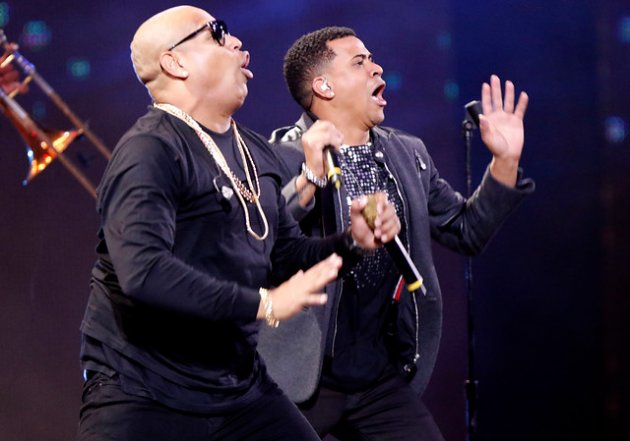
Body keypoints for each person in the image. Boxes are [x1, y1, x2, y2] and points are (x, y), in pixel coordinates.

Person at [76, 9, 400, 441]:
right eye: (217, 34)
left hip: (236, 387)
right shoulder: (149, 149)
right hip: (144, 391)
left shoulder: (252, 150)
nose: (236, 43)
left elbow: (286, 255)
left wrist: (353, 242)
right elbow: (144, 272)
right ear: (175, 62)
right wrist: (264, 304)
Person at [258, 26, 535, 440]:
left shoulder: (407, 154)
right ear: (324, 86)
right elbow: (264, 237)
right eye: (360, 62)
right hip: (302, 375)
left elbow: (467, 231)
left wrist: (505, 163)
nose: (377, 68)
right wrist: (310, 177)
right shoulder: (281, 154)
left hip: (376, 375)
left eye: (372, 59)